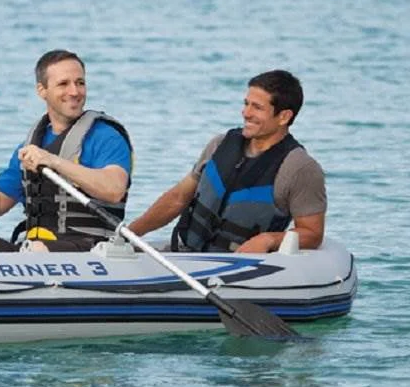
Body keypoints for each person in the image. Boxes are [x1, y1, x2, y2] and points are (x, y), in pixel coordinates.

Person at [0, 49, 133, 253]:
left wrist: (54, 161)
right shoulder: (32, 145)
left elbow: (114, 190)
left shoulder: (106, 136)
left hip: (92, 250)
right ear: (42, 90)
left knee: (36, 249)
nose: (75, 92)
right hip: (33, 250)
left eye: (80, 83)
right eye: (63, 84)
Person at [128, 69, 325, 253]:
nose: (246, 113)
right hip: (187, 254)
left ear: (284, 117)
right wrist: (129, 233)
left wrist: (268, 240)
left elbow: (312, 233)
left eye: (257, 107)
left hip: (241, 266)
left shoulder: (299, 168)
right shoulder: (220, 144)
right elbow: (178, 198)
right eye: (246, 104)